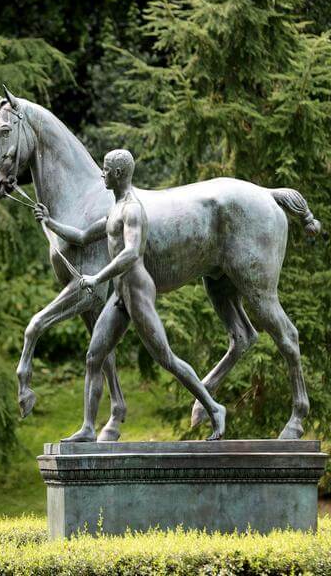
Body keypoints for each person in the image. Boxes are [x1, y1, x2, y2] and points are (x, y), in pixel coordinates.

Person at [34, 149, 226, 442]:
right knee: (94, 356)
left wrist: (98, 277)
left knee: (167, 359)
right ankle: (87, 427)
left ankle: (213, 407)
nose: (102, 174)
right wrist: (50, 222)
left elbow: (131, 253)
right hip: (120, 294)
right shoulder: (114, 209)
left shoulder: (133, 209)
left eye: (106, 169)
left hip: (137, 291)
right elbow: (83, 236)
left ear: (119, 174)